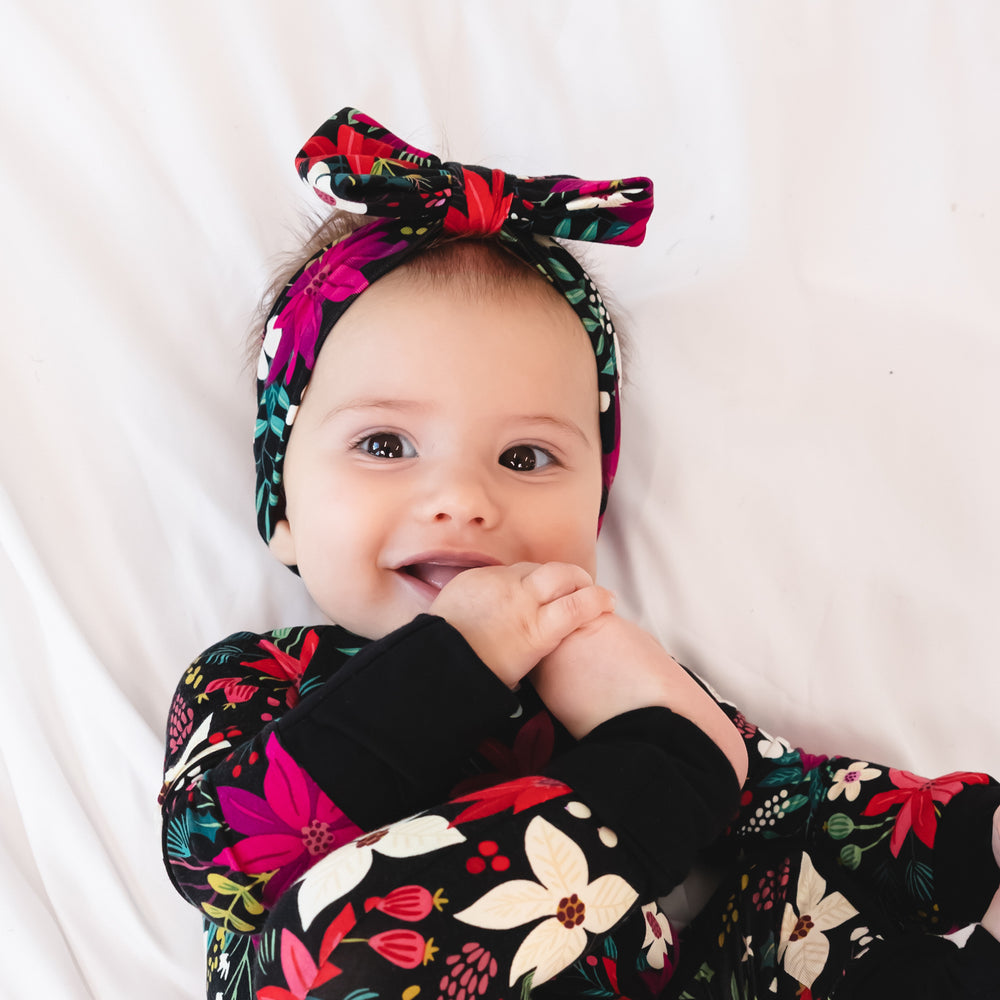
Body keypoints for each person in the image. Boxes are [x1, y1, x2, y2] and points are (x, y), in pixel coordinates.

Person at [160, 108, 1000, 1000]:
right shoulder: (262, 675)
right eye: (385, 445)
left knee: (806, 910)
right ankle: (652, 786)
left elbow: (790, 796)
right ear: (280, 508)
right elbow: (216, 858)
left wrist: (968, 835)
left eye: (525, 459)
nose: (464, 501)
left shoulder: (597, 672)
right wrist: (455, 663)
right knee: (340, 944)